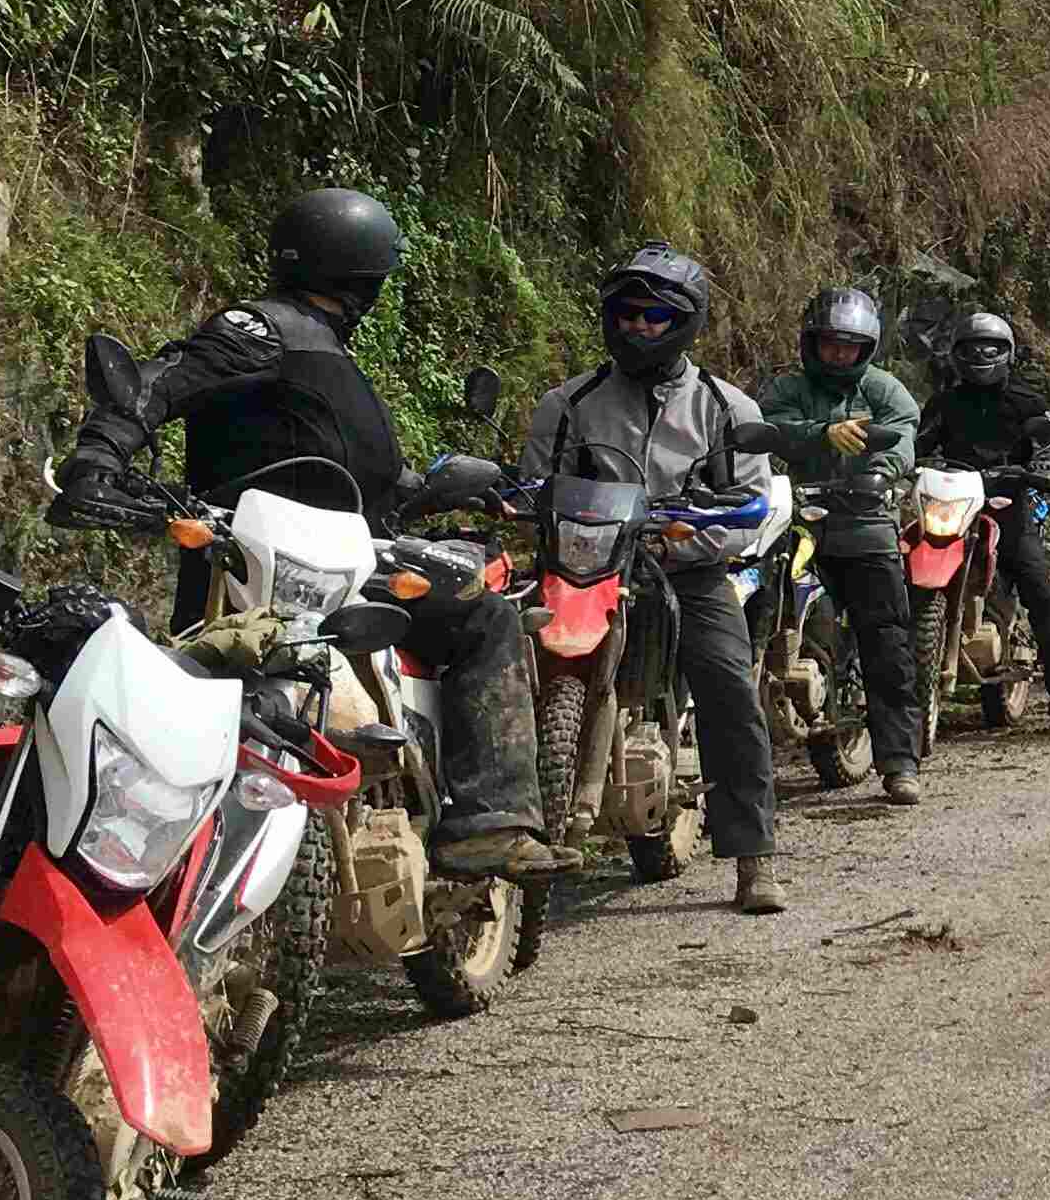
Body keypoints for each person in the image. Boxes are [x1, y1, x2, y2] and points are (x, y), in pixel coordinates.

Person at [58, 188, 559, 880]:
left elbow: (348, 466)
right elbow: (154, 385)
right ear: (368, 278)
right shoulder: (264, 331)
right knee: (487, 619)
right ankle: (489, 820)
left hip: (346, 563)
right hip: (259, 570)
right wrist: (96, 460)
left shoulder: (321, 352)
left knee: (482, 604)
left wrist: (437, 487)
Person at [525, 246, 789, 910]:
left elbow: (748, 502)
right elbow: (535, 488)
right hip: (584, 573)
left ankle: (753, 857)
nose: (639, 326)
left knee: (730, 690)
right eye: (627, 313)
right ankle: (501, 849)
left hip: (688, 574)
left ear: (686, 322)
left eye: (656, 315)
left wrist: (687, 538)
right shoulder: (569, 403)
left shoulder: (726, 408)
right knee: (509, 670)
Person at [751, 285, 926, 804]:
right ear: (812, 343)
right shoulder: (786, 387)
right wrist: (821, 433)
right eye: (830, 345)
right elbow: (763, 429)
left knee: (886, 640)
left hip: (866, 523)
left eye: (849, 348)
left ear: (866, 349)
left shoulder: (885, 390)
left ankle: (899, 761)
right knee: (753, 623)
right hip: (793, 523)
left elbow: (903, 435)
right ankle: (739, 768)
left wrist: (881, 472)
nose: (838, 355)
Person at [918, 310, 1050, 731]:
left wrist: (1045, 470)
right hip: (950, 505)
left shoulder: (1027, 402)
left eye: (991, 349)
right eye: (973, 349)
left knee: (1043, 595)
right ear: (957, 354)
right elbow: (917, 446)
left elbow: (1048, 450)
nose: (982, 356)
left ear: (1008, 353)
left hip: (1007, 507)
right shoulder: (944, 403)